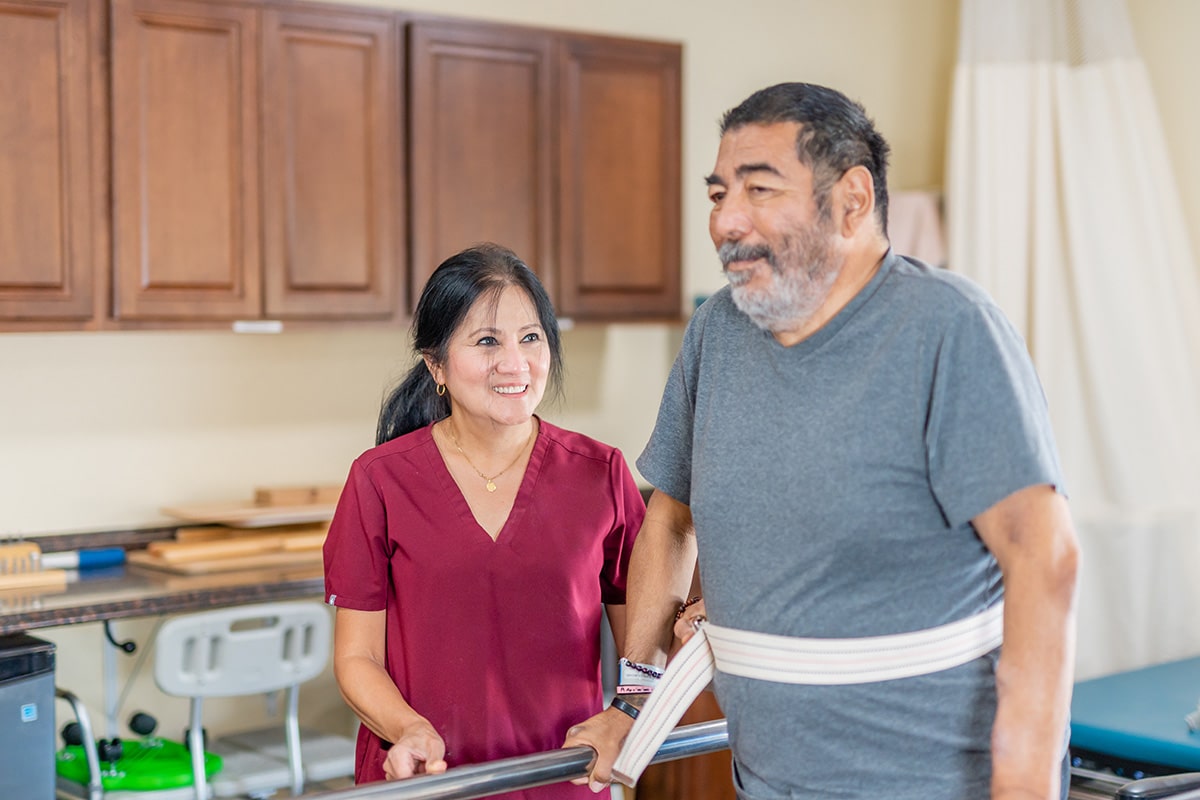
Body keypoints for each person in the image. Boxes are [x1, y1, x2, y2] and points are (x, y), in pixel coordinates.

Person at [563, 82, 1080, 800]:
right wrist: (633, 701)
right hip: (771, 781)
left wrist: (1024, 784)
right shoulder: (719, 333)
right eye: (717, 195)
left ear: (852, 200)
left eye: (759, 190)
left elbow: (1044, 559)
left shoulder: (949, 329)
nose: (725, 221)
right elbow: (673, 520)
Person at [323, 243, 646, 798]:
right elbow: (357, 657)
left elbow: (644, 645)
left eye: (531, 338)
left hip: (558, 776)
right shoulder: (380, 481)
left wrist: (627, 714)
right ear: (436, 364)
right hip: (424, 780)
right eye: (486, 341)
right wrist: (409, 730)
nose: (514, 363)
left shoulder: (602, 474)